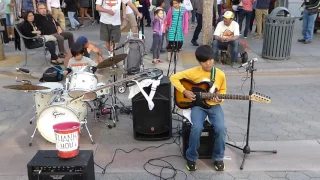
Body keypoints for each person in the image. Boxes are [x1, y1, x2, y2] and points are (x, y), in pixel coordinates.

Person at [170, 45, 227, 171]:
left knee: (221, 128)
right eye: (204, 61)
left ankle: (218, 157)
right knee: (196, 128)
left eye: (210, 60)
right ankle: (191, 157)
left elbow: (223, 90)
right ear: (199, 62)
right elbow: (173, 77)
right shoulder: (193, 72)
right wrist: (184, 91)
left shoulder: (220, 74)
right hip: (198, 106)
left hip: (214, 106)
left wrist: (220, 98)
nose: (208, 63)